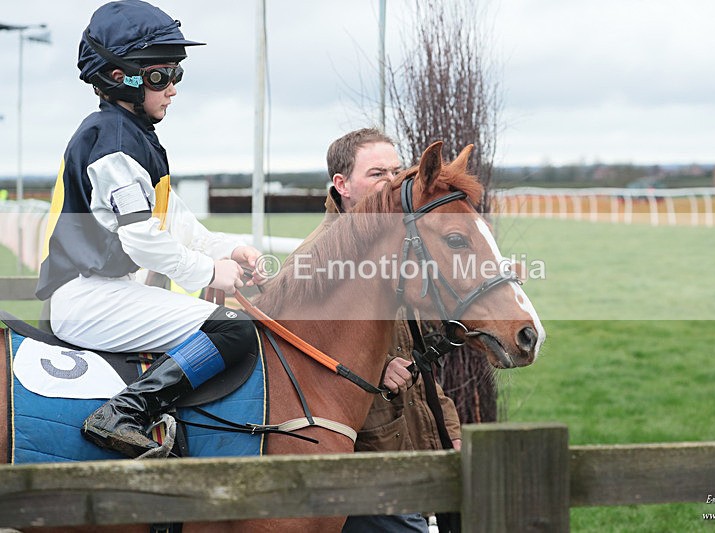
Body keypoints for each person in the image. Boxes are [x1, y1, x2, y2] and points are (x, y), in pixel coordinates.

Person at [36, 0, 265, 459]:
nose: (173, 88)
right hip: (87, 297)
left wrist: (232, 249)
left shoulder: (134, 138)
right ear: (119, 77)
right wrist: (207, 272)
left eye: (176, 74)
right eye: (161, 76)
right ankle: (126, 411)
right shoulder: (114, 143)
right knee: (235, 331)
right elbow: (141, 238)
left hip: (104, 290)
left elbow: (178, 225)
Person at [295, 128, 461, 532]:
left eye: (396, 171)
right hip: (360, 458)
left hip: (410, 447)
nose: (391, 183)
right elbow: (293, 358)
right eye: (376, 174)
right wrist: (376, 366)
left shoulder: (397, 248)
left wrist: (449, 432)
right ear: (342, 185)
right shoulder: (314, 258)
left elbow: (417, 362)